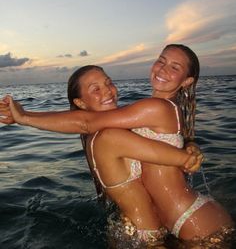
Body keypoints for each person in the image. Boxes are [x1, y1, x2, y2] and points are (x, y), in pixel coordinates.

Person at [0, 44, 234, 247]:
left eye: (175, 67)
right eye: (161, 61)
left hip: (195, 220)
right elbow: (89, 123)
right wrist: (189, 146)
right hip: (177, 221)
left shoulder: (155, 108)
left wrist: (25, 117)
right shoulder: (153, 109)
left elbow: (85, 122)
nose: (163, 69)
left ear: (187, 80)